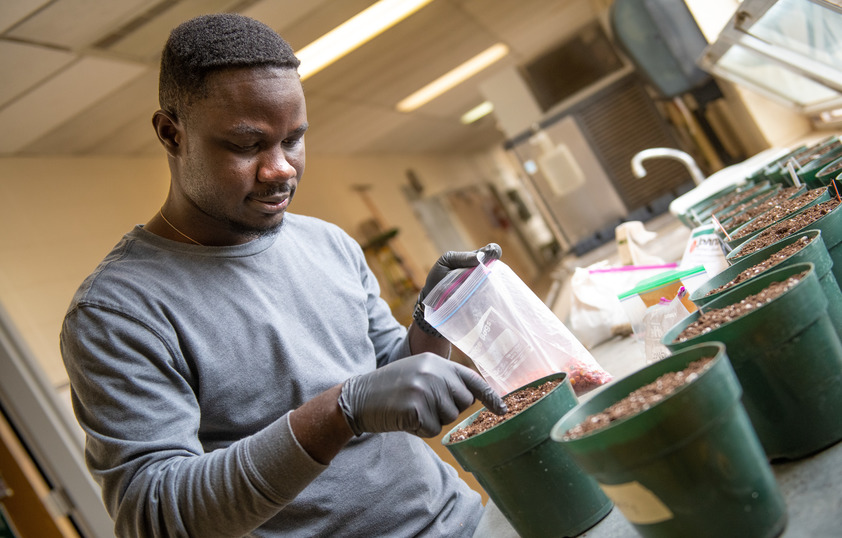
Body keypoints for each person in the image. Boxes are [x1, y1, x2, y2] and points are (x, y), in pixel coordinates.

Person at [59, 13, 509, 538]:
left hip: (461, 521)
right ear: (171, 134)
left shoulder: (328, 242)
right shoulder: (117, 312)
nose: (280, 169)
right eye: (247, 145)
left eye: (293, 139)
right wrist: (339, 412)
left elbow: (391, 379)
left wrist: (431, 324)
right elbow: (154, 514)